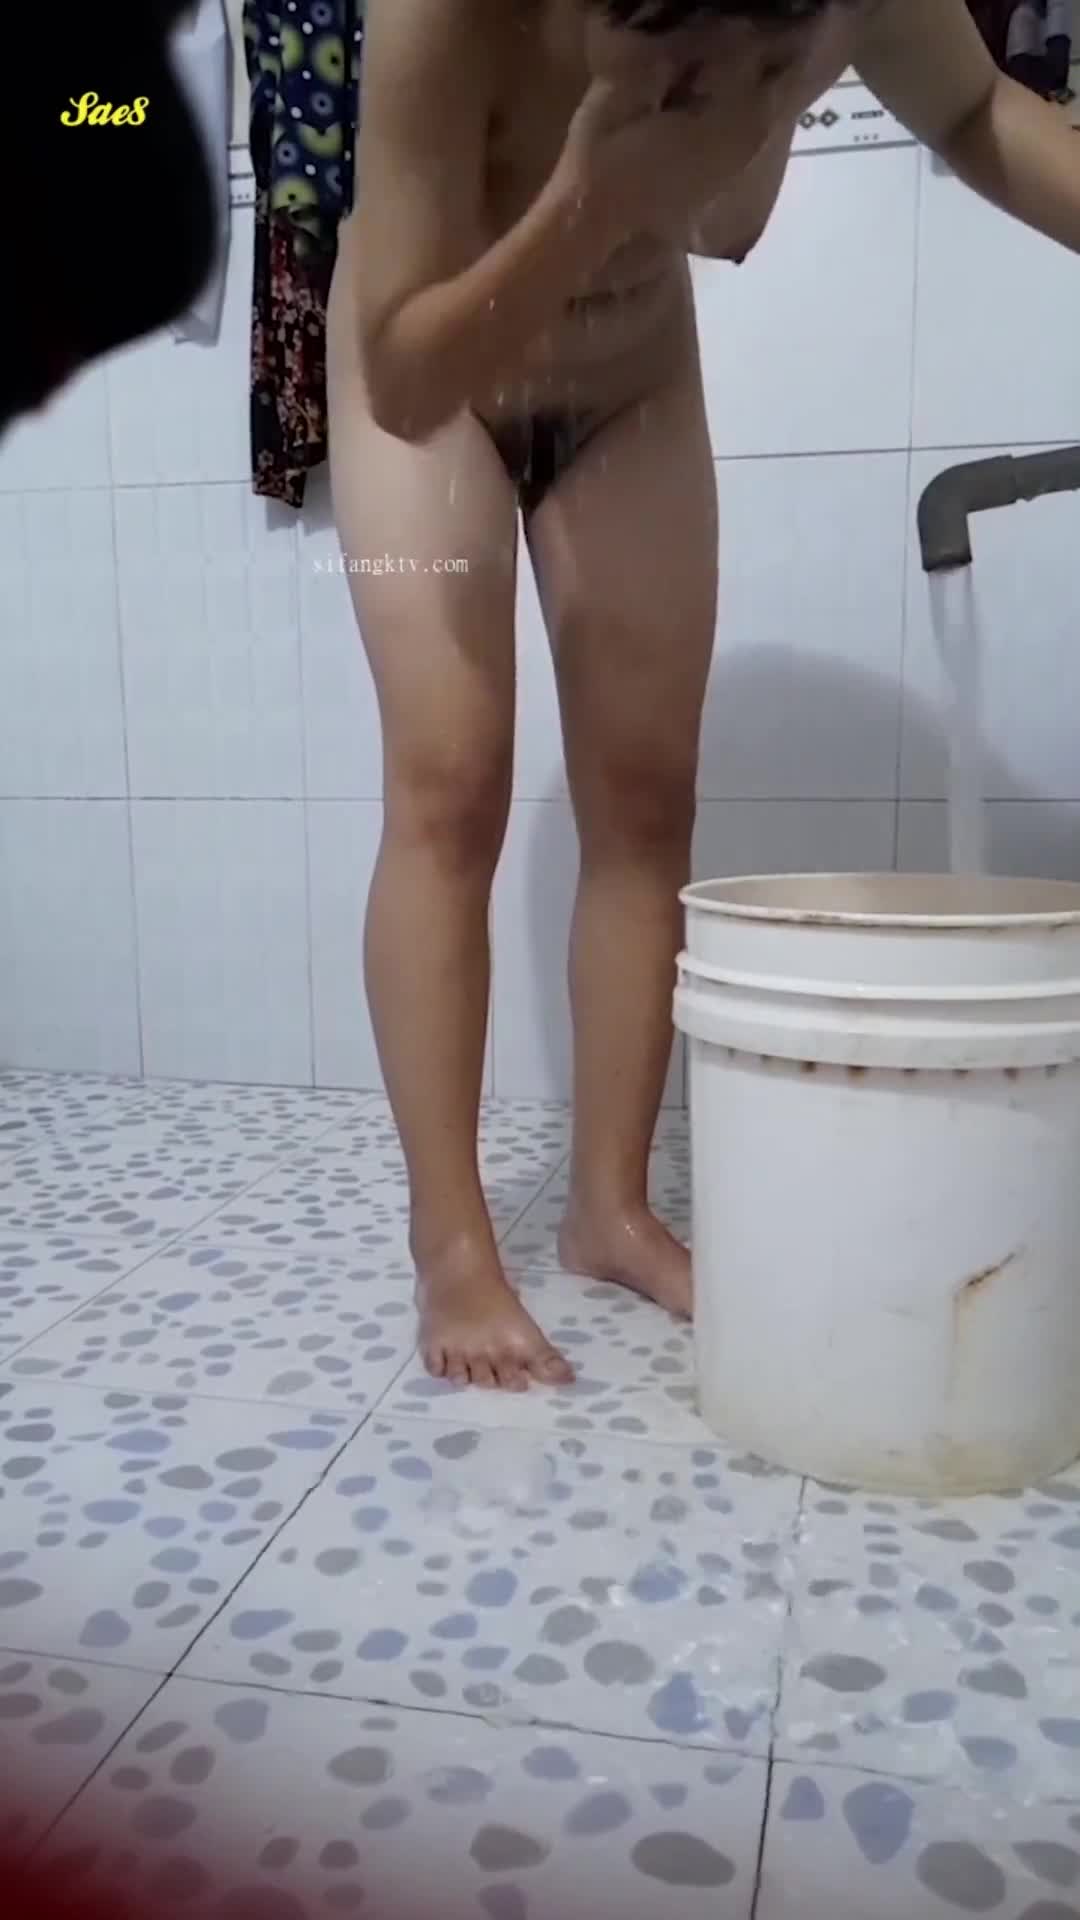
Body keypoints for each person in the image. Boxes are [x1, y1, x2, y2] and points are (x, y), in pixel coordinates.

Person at [326, 0, 1080, 1393]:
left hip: (630, 376)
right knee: (449, 780)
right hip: (427, 370)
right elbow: (406, 375)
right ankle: (452, 1248)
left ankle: (609, 1212)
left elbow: (978, 111)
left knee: (644, 791)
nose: (749, 95)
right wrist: (591, 193)